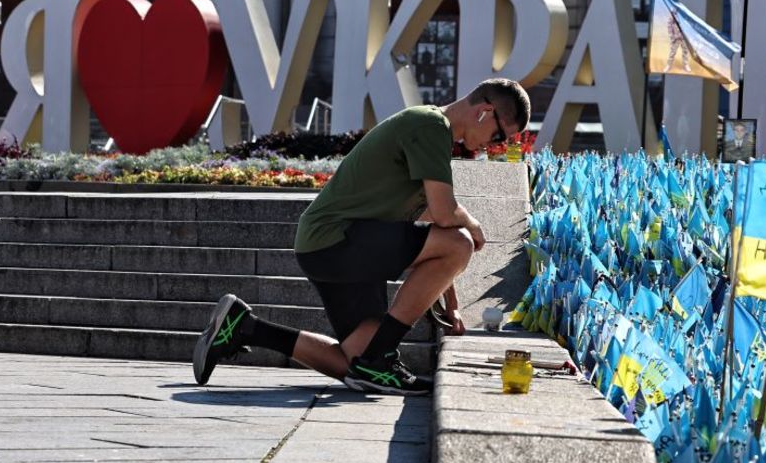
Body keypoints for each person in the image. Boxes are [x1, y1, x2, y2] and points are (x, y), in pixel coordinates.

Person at [193, 78, 530, 395]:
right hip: (337, 239)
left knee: (355, 363)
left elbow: (434, 228)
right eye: (500, 136)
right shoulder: (430, 126)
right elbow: (446, 216)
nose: (496, 147)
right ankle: (381, 359)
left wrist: (451, 306)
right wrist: (473, 224)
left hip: (330, 246)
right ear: (484, 112)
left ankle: (244, 327)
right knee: (461, 241)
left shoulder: (431, 134)